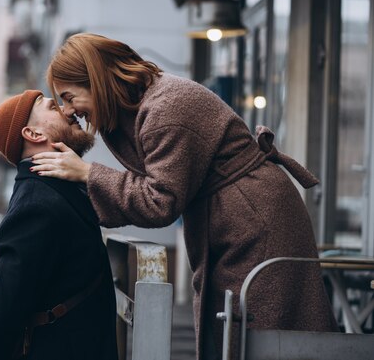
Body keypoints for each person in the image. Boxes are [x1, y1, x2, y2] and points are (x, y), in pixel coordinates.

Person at [31, 33, 338, 359]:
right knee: (239, 329)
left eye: (68, 97)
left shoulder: (165, 110)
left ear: (95, 81)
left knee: (262, 332)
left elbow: (159, 201)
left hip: (256, 222)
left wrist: (88, 173)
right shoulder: (144, 105)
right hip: (241, 216)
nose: (68, 112)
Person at [0, 90, 118, 360]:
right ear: (33, 134)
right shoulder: (37, 205)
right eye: (52, 107)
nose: (67, 110)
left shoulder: (55, 190)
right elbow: (4, 313)